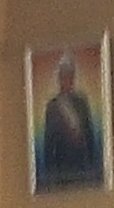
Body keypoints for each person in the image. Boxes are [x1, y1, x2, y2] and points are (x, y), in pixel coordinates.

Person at [35, 52, 106, 188]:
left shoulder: (81, 102)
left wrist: (92, 163)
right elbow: (48, 141)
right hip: (62, 164)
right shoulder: (53, 106)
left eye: (70, 76)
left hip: (81, 162)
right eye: (64, 76)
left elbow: (89, 133)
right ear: (59, 79)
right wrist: (50, 172)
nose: (67, 80)